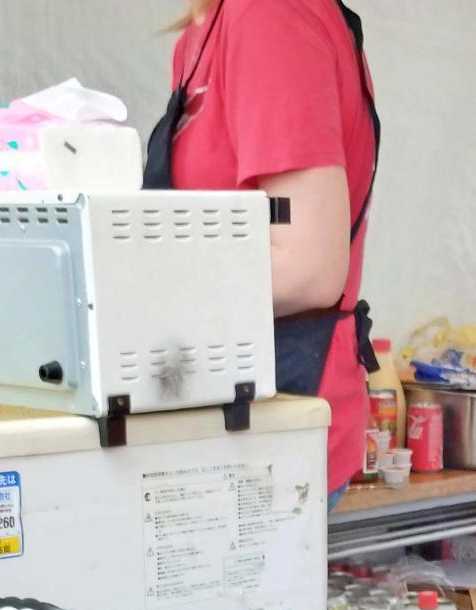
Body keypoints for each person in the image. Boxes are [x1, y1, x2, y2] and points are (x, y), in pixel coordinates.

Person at [146, 0, 381, 498]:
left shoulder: (271, 13)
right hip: (216, 418)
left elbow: (307, 268)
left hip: (267, 428)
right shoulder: (204, 30)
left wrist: (129, 299)